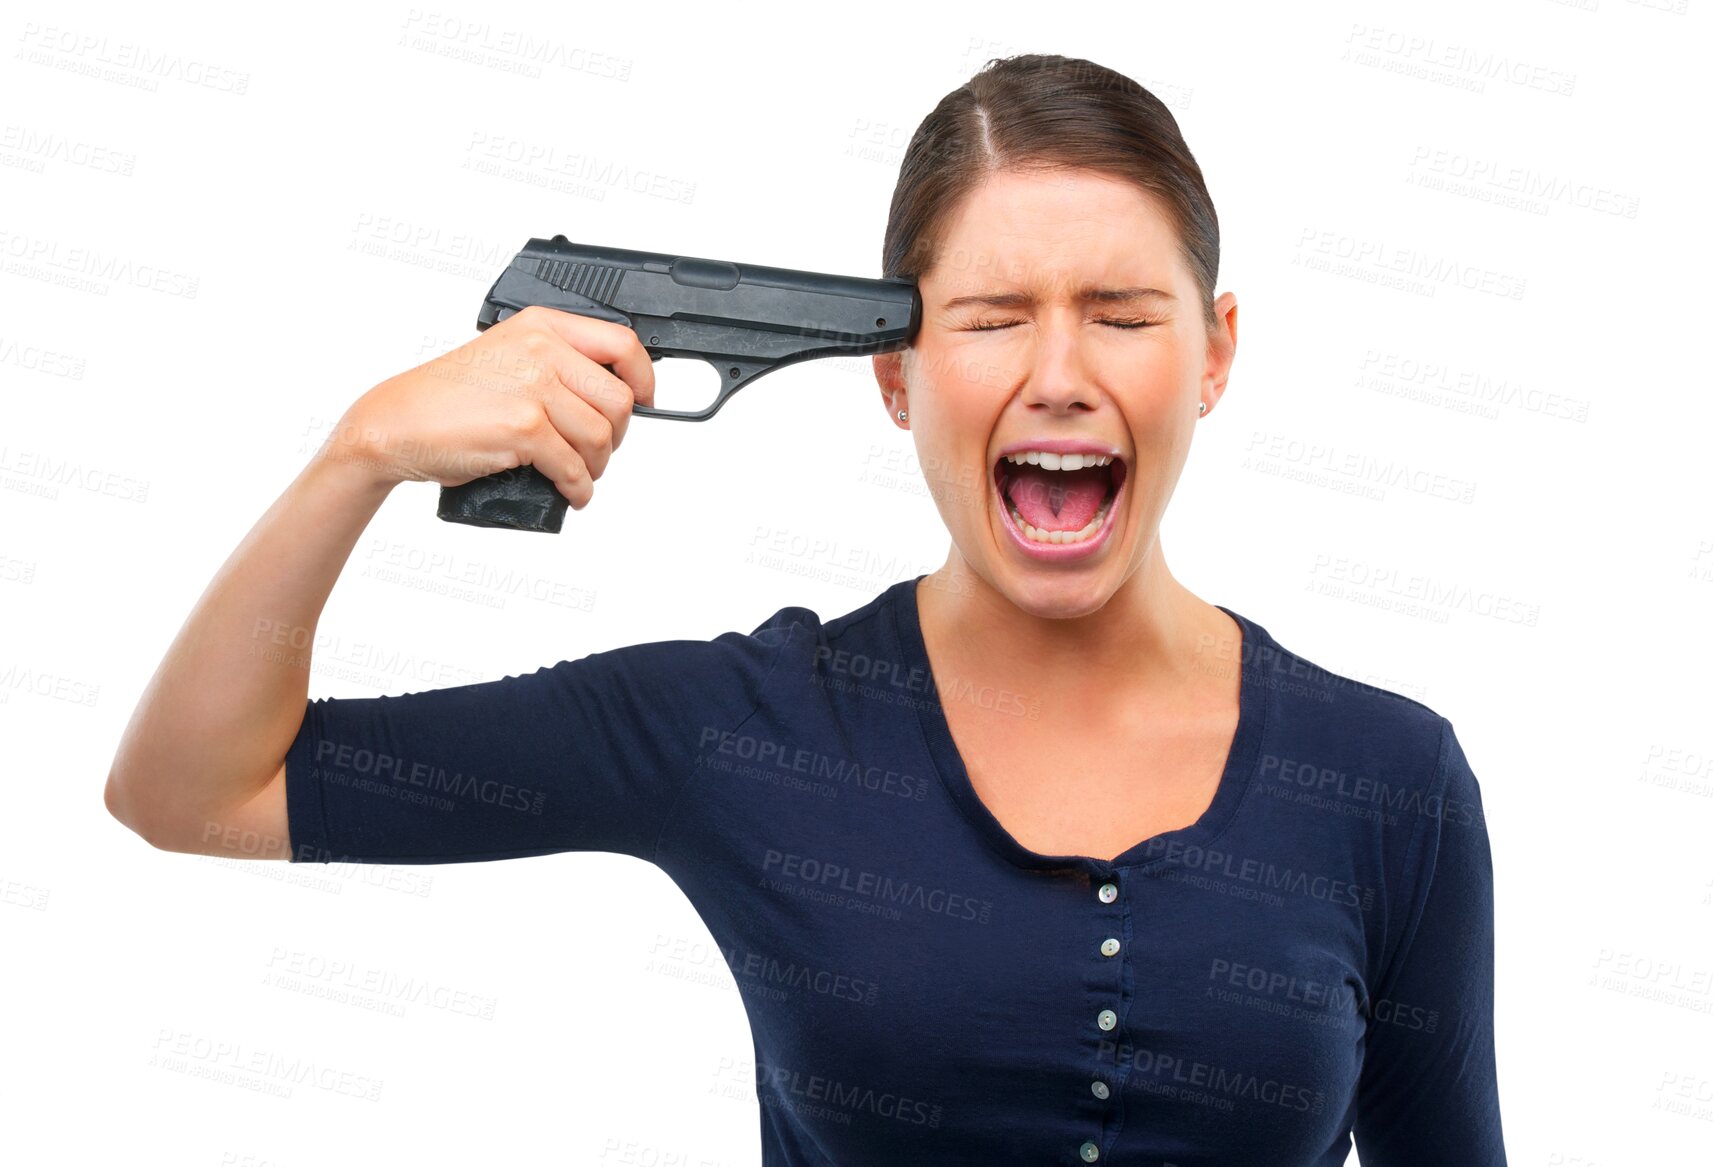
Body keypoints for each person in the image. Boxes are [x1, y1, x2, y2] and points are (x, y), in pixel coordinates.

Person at [105, 53, 1506, 1166]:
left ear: (1215, 353)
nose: (1061, 373)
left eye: (1124, 313)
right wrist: (356, 456)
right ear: (893, 377)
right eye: (992, 315)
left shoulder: (1388, 782)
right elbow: (192, 790)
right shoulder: (732, 730)